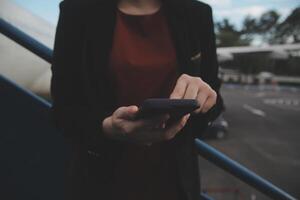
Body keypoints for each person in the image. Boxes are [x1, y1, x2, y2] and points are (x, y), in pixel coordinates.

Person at [50, 0, 224, 199]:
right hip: (99, 180)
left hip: (174, 181)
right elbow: (63, 110)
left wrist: (204, 100)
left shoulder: (196, 13)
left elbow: (216, 101)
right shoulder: (78, 11)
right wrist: (106, 127)